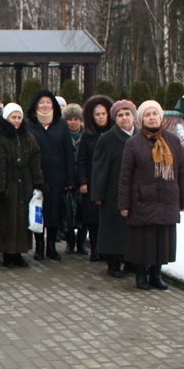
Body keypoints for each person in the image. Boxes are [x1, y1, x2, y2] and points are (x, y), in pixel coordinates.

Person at [116, 100, 184, 290]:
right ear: (141, 119)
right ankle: (141, 276)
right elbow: (125, 177)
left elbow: (181, 171)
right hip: (142, 200)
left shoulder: (173, 141)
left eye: (154, 114)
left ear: (160, 116)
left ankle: (156, 275)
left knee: (161, 240)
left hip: (167, 199)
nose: (151, 117)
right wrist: (124, 204)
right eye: (147, 114)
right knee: (143, 241)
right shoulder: (133, 143)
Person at [0, 102, 43, 267]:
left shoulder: (28, 137)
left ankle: (19, 252)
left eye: (19, 117)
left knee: (22, 219)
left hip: (25, 183)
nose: (17, 120)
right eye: (13, 117)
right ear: (6, 118)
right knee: (7, 220)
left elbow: (35, 159)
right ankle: (8, 254)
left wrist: (38, 181)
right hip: (8, 185)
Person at [25, 89, 75, 261]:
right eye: (41, 103)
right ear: (35, 106)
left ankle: (51, 246)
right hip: (36, 177)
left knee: (54, 213)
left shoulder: (61, 125)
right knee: (38, 212)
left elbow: (69, 152)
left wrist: (70, 178)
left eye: (48, 102)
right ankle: (39, 247)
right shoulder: (29, 125)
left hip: (57, 178)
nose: (45, 106)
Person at [92, 99, 135, 277]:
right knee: (113, 229)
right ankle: (113, 263)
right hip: (112, 191)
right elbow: (99, 167)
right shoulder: (107, 138)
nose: (124, 118)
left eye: (127, 114)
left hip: (134, 192)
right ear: (115, 118)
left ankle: (130, 261)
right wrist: (98, 193)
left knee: (130, 229)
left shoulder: (139, 136)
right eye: (120, 115)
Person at [75, 95, 113, 260]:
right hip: (91, 181)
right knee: (92, 218)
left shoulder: (113, 134)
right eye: (97, 114)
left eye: (103, 113)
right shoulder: (87, 136)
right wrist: (82, 181)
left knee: (107, 217)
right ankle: (96, 248)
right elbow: (81, 159)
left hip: (110, 182)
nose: (101, 117)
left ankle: (107, 249)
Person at [61, 103, 84, 254]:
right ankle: (70, 242)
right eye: (70, 119)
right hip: (67, 180)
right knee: (68, 215)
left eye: (76, 119)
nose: (73, 122)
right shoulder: (62, 136)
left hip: (82, 180)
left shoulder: (86, 135)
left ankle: (81, 244)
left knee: (83, 215)